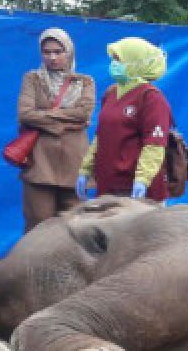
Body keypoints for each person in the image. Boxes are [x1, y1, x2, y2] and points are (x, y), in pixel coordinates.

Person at [16, 28, 95, 230]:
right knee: (38, 227)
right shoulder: (32, 79)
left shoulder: (85, 81)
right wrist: (69, 121)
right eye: (47, 52)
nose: (52, 57)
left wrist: (43, 117)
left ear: (69, 51)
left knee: (76, 229)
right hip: (40, 165)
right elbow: (25, 114)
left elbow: (84, 114)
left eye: (58, 51)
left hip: (75, 164)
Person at [77, 37, 172, 202]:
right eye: (113, 59)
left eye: (119, 60)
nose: (114, 64)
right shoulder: (111, 93)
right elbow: (100, 137)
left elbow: (154, 145)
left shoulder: (151, 97)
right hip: (108, 184)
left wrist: (143, 180)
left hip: (137, 189)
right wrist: (85, 170)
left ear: (136, 62)